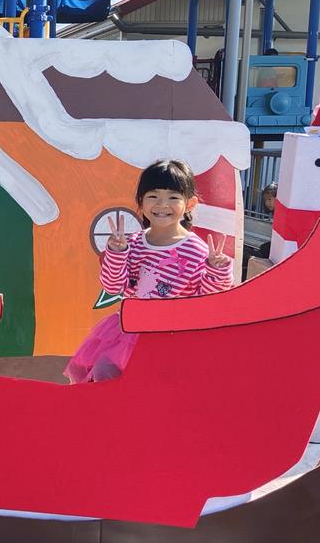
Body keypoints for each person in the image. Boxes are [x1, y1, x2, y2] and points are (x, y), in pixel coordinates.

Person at [65, 160, 234, 384]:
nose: (162, 204)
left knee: (156, 390)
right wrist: (117, 253)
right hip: (126, 333)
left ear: (190, 204)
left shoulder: (197, 250)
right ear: (141, 202)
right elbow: (113, 287)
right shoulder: (133, 243)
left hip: (172, 338)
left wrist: (218, 271)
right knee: (101, 375)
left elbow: (206, 301)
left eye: (173, 197)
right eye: (153, 196)